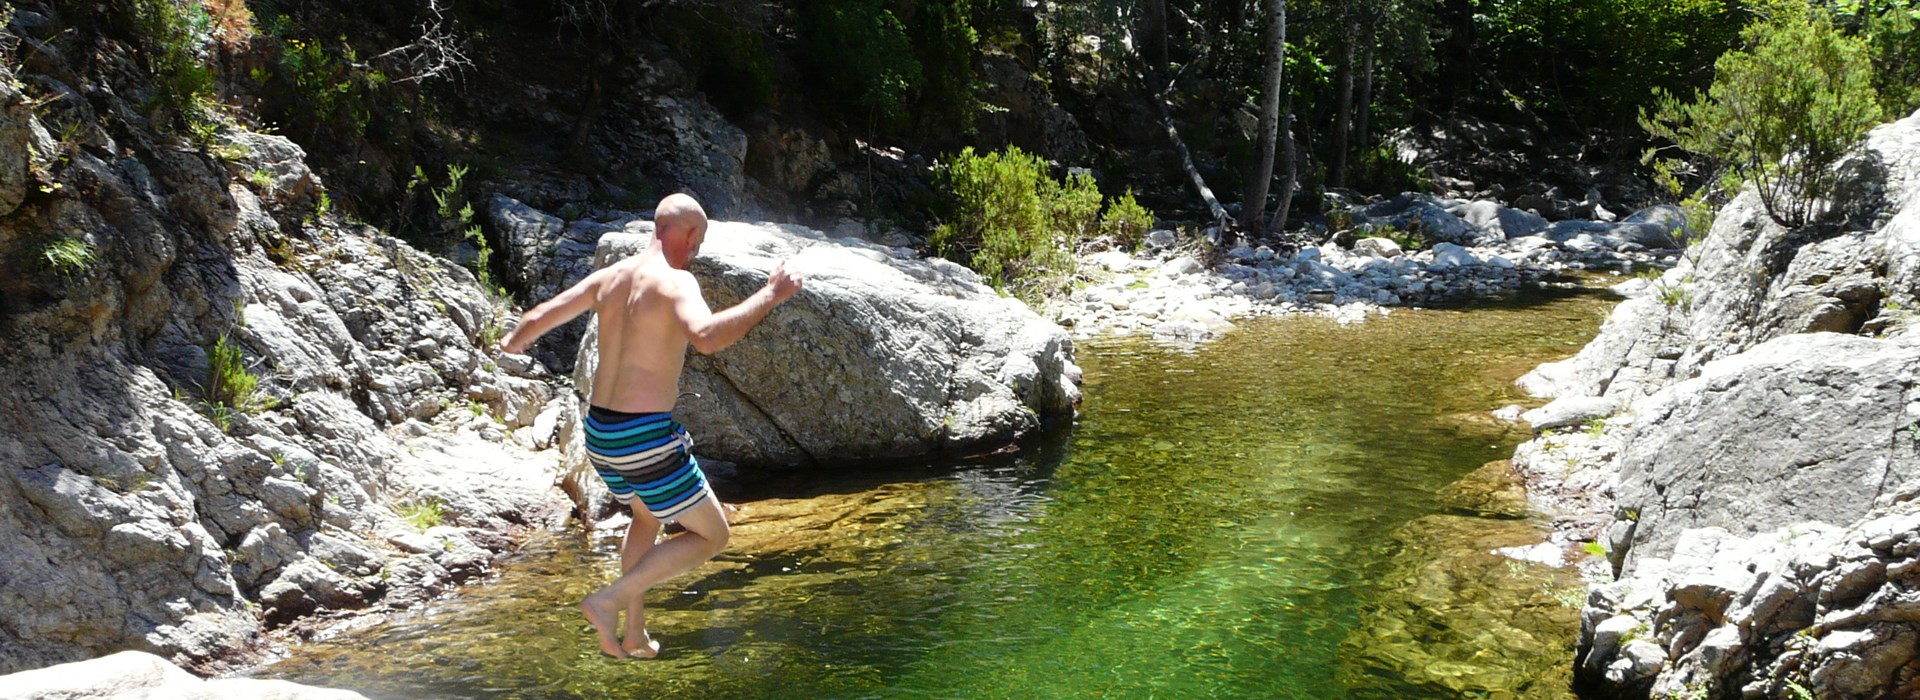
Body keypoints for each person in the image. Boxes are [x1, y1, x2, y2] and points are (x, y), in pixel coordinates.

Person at [499, 193, 802, 659]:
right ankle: (607, 601)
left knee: (646, 516)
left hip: (600, 433)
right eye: (699, 241)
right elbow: (706, 338)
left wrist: (510, 344)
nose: (697, 251)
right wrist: (771, 293)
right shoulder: (677, 283)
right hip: (644, 437)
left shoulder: (609, 278)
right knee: (712, 536)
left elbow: (537, 318)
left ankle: (635, 632)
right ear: (690, 235)